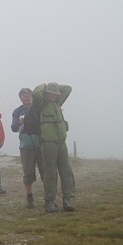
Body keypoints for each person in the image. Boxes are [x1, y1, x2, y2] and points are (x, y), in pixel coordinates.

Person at [32, 82, 75, 213]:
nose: (54, 96)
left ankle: (67, 199)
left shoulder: (57, 103)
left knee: (66, 171)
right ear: (46, 94)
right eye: (51, 94)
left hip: (61, 142)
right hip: (48, 143)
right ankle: (49, 201)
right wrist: (44, 86)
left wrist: (55, 85)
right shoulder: (40, 104)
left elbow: (68, 88)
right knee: (50, 172)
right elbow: (35, 92)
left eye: (56, 94)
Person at [11, 88, 44, 208]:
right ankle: (29, 197)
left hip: (40, 143)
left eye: (28, 95)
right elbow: (13, 128)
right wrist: (19, 123)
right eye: (23, 96)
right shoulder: (17, 111)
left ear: (32, 96)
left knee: (45, 171)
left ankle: (49, 197)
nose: (26, 98)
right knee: (28, 172)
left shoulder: (39, 108)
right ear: (20, 98)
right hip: (26, 145)